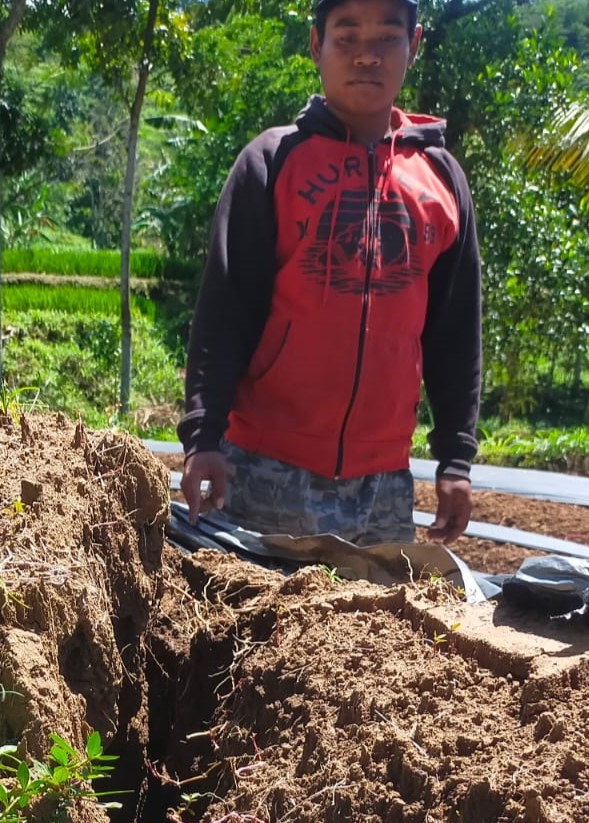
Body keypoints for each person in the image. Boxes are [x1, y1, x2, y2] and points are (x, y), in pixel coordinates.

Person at [178, 0, 481, 546]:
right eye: (347, 36)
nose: (367, 56)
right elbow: (225, 312)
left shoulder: (441, 179)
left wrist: (455, 461)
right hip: (265, 468)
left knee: (365, 633)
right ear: (316, 45)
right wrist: (204, 437)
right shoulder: (270, 162)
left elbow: (454, 335)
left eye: (387, 38)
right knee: (253, 624)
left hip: (384, 486)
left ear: (413, 46)